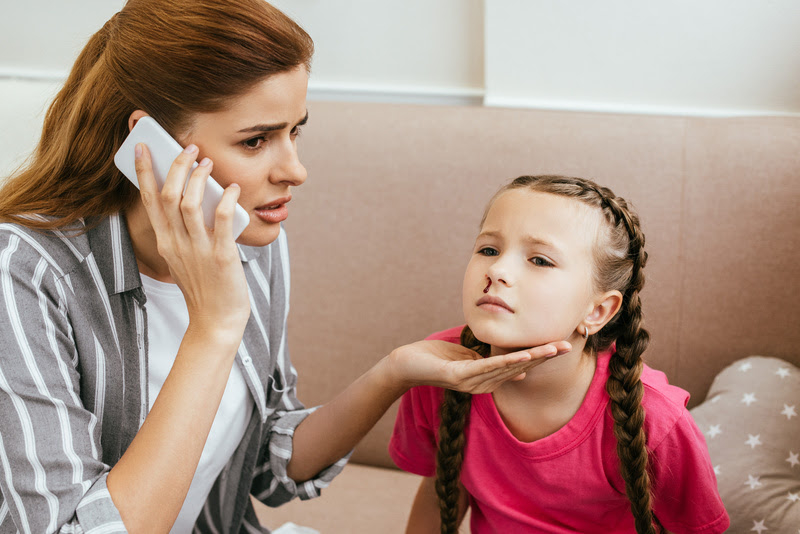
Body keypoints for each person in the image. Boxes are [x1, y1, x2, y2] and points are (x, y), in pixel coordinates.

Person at [0, 2, 572, 533]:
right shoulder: (25, 271)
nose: (295, 171)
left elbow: (267, 468)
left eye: (294, 131)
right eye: (256, 141)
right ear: (149, 144)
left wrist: (392, 373)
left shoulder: (255, 242)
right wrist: (213, 328)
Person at [389, 175, 730, 534]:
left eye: (539, 260)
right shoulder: (435, 369)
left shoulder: (656, 421)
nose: (497, 270)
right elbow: (441, 488)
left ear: (596, 312)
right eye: (489, 250)